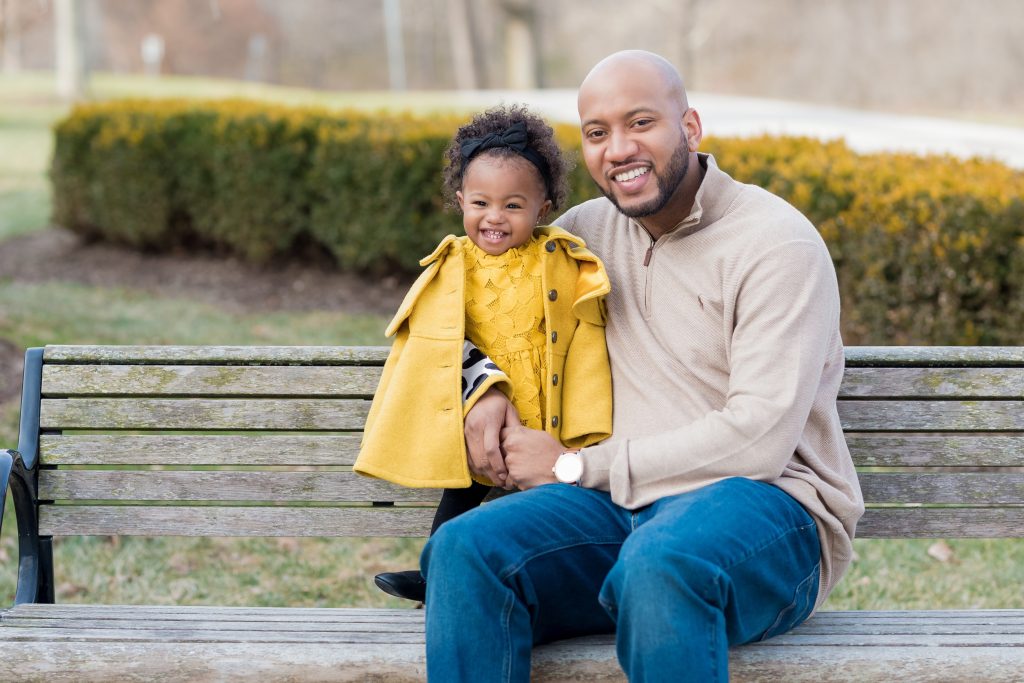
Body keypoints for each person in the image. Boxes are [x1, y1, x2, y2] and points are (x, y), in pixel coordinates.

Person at [421, 50, 865, 682]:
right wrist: (483, 387)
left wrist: (576, 466)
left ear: (689, 128)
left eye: (640, 123)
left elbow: (761, 437)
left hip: (767, 510)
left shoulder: (775, 244)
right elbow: (460, 308)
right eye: (598, 133)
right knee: (465, 551)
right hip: (615, 510)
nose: (619, 148)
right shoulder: (578, 238)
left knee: (661, 565)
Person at [354, 106, 614, 603]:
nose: (494, 217)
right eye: (480, 203)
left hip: (547, 418)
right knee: (461, 498)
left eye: (513, 206)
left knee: (552, 510)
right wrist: (484, 387)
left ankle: (560, 586)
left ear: (542, 208)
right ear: (460, 201)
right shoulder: (454, 264)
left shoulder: (559, 259)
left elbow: (583, 332)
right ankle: (438, 574)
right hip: (478, 415)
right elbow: (437, 338)